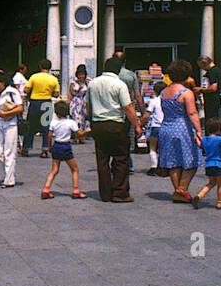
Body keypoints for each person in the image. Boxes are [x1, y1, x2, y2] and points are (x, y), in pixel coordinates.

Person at [86, 57, 142, 203]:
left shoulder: (93, 83)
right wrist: (136, 125)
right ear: (118, 69)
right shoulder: (119, 84)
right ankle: (120, 193)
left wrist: (91, 120)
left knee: (102, 160)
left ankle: (105, 193)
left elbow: (88, 105)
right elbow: (128, 107)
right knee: (120, 158)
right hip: (116, 124)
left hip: (98, 123)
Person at [157, 59, 203, 203]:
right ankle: (182, 189)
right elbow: (192, 113)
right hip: (182, 127)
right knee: (192, 159)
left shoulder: (164, 91)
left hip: (166, 127)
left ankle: (178, 191)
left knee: (174, 161)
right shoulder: (186, 93)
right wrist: (199, 130)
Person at [41, 100, 86, 200]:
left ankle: (46, 189)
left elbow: (49, 135)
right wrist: (88, 131)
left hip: (56, 145)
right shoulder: (71, 122)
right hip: (66, 146)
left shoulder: (53, 123)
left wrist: (49, 147)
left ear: (56, 112)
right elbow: (80, 134)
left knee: (54, 170)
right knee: (74, 169)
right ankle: (76, 190)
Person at [0, 70, 23, 188]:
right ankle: (10, 164)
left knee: (9, 151)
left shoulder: (12, 92)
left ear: (3, 82)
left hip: (10, 124)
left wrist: (6, 113)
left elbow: (20, 108)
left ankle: (9, 179)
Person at [21, 59, 61, 158]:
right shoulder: (53, 79)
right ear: (50, 67)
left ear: (40, 66)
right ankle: (44, 150)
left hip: (35, 103)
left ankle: (26, 148)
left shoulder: (34, 77)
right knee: (45, 127)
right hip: (46, 103)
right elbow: (56, 94)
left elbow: (26, 90)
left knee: (30, 126)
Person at [192, 119, 221, 209]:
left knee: (211, 183)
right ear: (219, 130)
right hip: (218, 165)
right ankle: (220, 202)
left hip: (208, 165)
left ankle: (199, 196)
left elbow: (200, 145)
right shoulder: (219, 139)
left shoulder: (205, 139)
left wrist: (197, 139)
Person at [196, 55, 221, 128]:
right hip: (215, 98)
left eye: (201, 66)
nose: (202, 68)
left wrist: (200, 90)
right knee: (214, 118)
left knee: (211, 120)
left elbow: (213, 88)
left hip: (211, 99)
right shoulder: (218, 70)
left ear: (204, 63)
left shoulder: (212, 72)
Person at [145, 80, 165, 174]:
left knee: (152, 148)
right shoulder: (169, 101)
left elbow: (148, 114)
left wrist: (141, 123)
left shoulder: (154, 101)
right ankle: (163, 166)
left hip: (156, 126)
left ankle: (154, 167)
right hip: (166, 126)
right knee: (164, 148)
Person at [68, 64, 91, 142]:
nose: (81, 76)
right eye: (79, 74)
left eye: (82, 74)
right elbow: (70, 94)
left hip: (85, 102)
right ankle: (76, 137)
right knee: (76, 119)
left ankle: (82, 137)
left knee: (85, 120)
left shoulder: (89, 82)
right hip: (75, 103)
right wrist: (69, 104)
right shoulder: (73, 82)